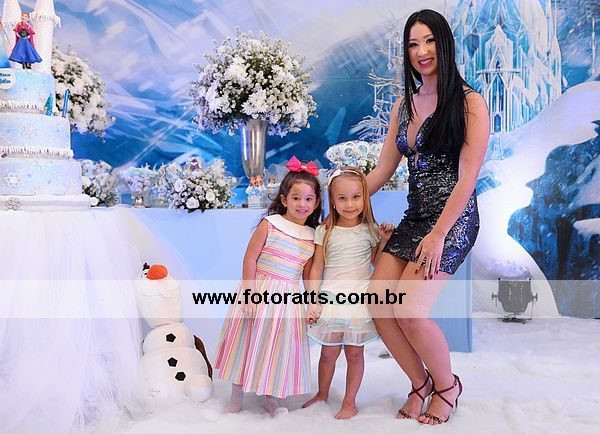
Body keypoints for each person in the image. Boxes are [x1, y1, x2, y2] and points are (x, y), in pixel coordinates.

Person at [365, 9, 489, 425]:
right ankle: (420, 384)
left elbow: (467, 178)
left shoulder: (470, 103)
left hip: (452, 221)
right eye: (413, 44)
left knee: (409, 312)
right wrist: (339, 201)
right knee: (379, 303)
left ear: (444, 43)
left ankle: (447, 386)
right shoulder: (404, 105)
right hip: (415, 217)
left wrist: (437, 235)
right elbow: (384, 169)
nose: (422, 51)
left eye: (429, 41)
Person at [214, 157, 322, 415]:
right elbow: (250, 258)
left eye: (309, 199)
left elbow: (308, 275)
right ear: (284, 199)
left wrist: (312, 303)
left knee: (276, 347)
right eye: (296, 198)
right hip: (260, 291)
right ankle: (236, 397)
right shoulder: (270, 224)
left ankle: (270, 395)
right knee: (246, 342)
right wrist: (249, 295)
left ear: (317, 202)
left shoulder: (313, 236)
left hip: (287, 299)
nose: (302, 204)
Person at [302, 167, 394, 419]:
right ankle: (322, 394)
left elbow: (376, 263)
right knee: (328, 353)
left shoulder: (370, 230)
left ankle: (350, 401)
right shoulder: (325, 231)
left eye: (355, 197)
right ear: (332, 200)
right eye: (342, 198)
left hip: (358, 299)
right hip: (332, 298)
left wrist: (384, 240)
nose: (350, 204)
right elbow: (317, 267)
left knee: (354, 353)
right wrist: (313, 299)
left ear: (364, 198)